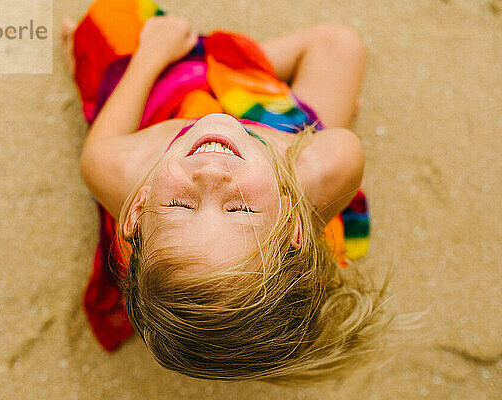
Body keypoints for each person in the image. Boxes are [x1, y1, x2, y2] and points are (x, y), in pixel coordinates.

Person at [63, 0, 385, 383]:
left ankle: (204, 63)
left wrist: (151, 56)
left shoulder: (119, 168)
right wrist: (273, 149)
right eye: (241, 211)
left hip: (173, 103)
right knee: (341, 44)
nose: (212, 174)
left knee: (111, 19)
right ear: (292, 220)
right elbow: (329, 143)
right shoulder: (322, 167)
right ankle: (235, 66)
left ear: (138, 209)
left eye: (180, 203)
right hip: (277, 128)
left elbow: (104, 135)